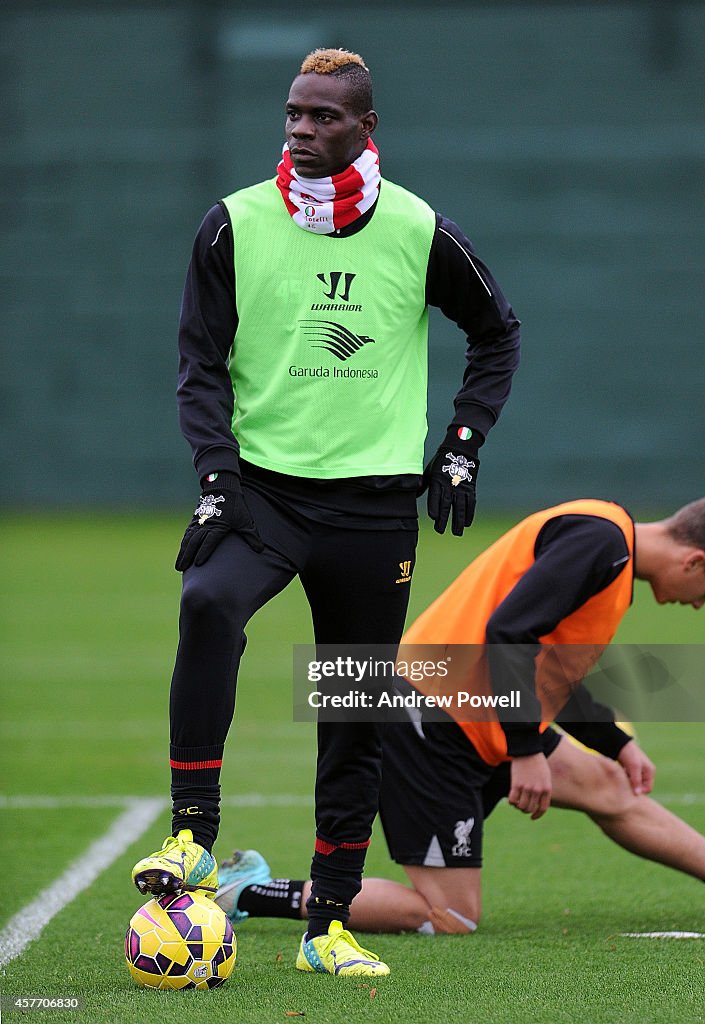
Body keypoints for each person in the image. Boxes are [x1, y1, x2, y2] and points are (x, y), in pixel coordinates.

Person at [130, 47, 521, 976]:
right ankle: (191, 836)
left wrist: (460, 449)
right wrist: (217, 477)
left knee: (352, 707)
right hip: (263, 492)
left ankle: (327, 927)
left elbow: (496, 333)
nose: (300, 129)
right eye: (293, 114)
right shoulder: (231, 225)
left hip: (373, 510)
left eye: (322, 117)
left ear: (364, 129)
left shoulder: (420, 229)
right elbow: (199, 368)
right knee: (205, 602)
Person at [214, 497, 705, 934]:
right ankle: (250, 891)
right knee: (450, 916)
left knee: (609, 784)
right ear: (696, 560)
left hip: (480, 712)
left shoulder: (606, 543)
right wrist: (527, 753)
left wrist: (615, 743)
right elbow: (509, 632)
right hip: (430, 718)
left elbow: (547, 673)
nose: (699, 604)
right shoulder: (603, 542)